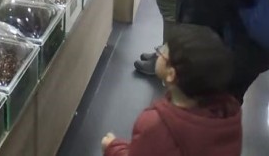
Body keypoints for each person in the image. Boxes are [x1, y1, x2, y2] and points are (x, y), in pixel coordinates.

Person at [101, 24, 242, 156]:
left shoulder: (155, 125)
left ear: (171, 74)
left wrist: (113, 148)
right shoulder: (228, 117)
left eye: (163, 51)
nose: (159, 53)